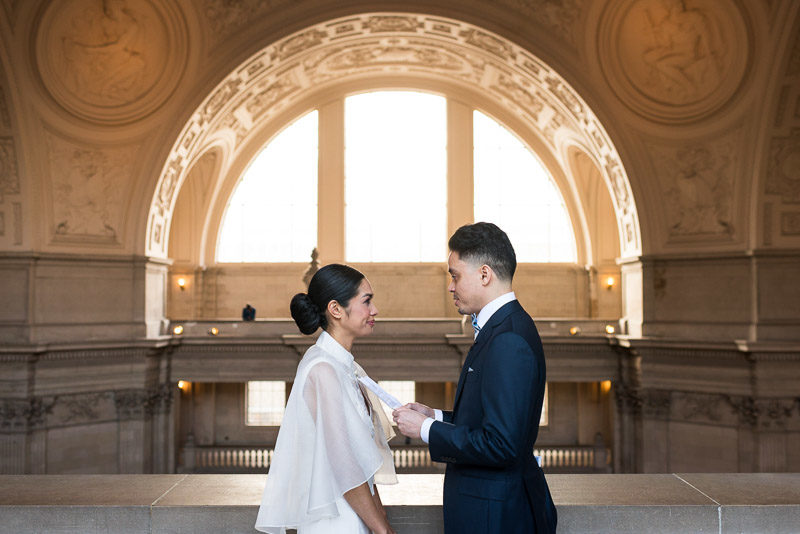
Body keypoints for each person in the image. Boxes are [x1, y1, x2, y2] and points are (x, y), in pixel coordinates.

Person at [392, 222, 557, 534]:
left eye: (455, 275)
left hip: (495, 518)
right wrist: (436, 416)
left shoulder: (508, 339)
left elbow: (501, 444)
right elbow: (494, 421)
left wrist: (426, 429)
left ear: (484, 274)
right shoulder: (504, 328)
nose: (450, 287)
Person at [255, 264, 397, 534]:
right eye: (366, 301)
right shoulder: (323, 368)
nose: (374, 310)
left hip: (355, 517)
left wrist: (379, 518)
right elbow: (344, 463)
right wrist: (384, 531)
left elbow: (361, 461)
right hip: (336, 523)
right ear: (335, 309)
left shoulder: (340, 365)